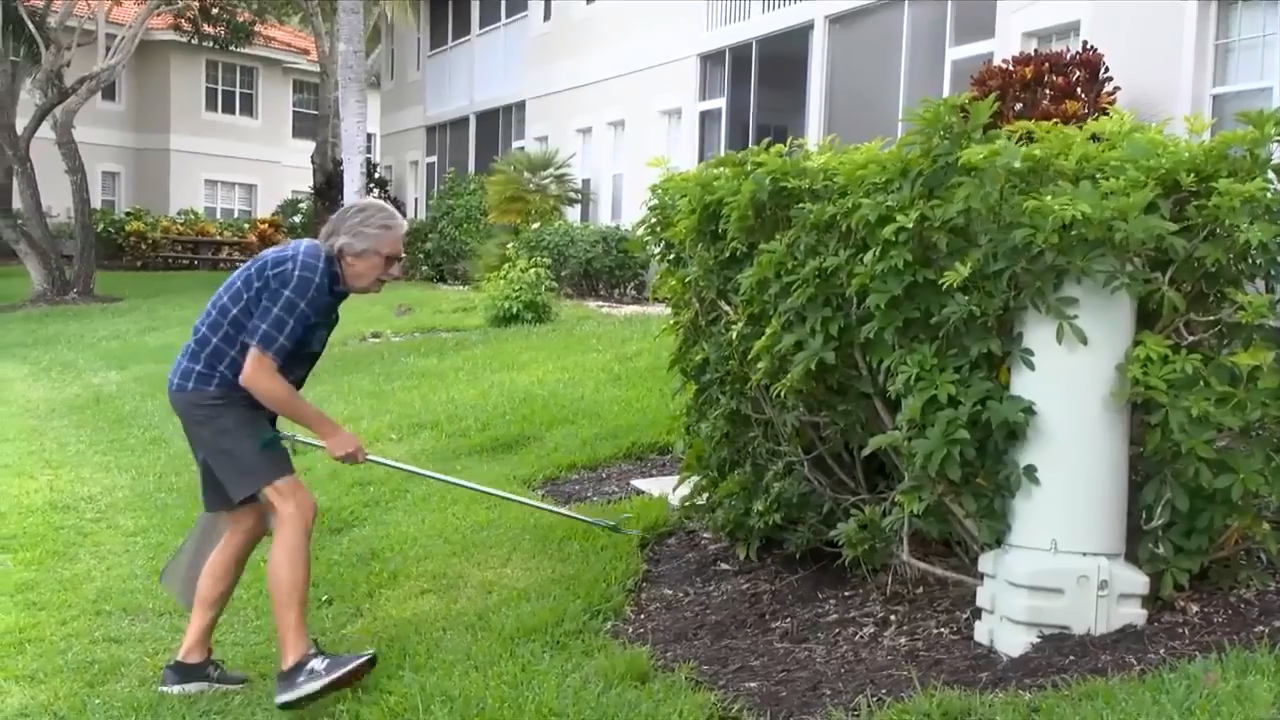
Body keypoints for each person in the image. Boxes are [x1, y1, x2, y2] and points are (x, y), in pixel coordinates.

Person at [157, 198, 407, 710]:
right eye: (388, 259)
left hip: (216, 395)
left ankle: (189, 663)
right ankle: (297, 664)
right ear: (352, 251)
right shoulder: (306, 270)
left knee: (247, 520)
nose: (395, 271)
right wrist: (330, 430)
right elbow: (255, 373)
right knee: (294, 506)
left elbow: (266, 372)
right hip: (217, 395)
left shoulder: (324, 280)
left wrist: (267, 425)